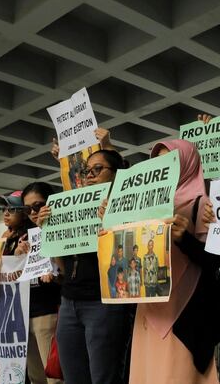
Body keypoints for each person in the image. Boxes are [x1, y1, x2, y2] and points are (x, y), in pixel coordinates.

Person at [121, 139, 220, 384]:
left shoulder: (204, 205)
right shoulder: (142, 206)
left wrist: (185, 240)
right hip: (149, 310)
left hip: (185, 311)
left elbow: (215, 260)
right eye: (157, 163)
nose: (163, 169)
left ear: (187, 164)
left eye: (170, 162)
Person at [36, 150, 133, 384]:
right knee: (74, 376)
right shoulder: (73, 209)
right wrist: (48, 231)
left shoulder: (126, 205)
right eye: (87, 170)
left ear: (116, 173)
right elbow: (63, 265)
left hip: (103, 303)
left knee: (104, 376)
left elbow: (129, 257)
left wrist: (114, 220)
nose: (90, 175)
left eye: (98, 169)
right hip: (70, 301)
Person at [15, 183, 62, 384]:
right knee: (36, 377)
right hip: (26, 312)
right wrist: (18, 256)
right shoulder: (25, 236)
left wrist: (55, 273)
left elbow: (66, 271)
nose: (33, 212)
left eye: (38, 205)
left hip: (49, 309)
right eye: (28, 209)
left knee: (53, 375)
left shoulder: (61, 228)